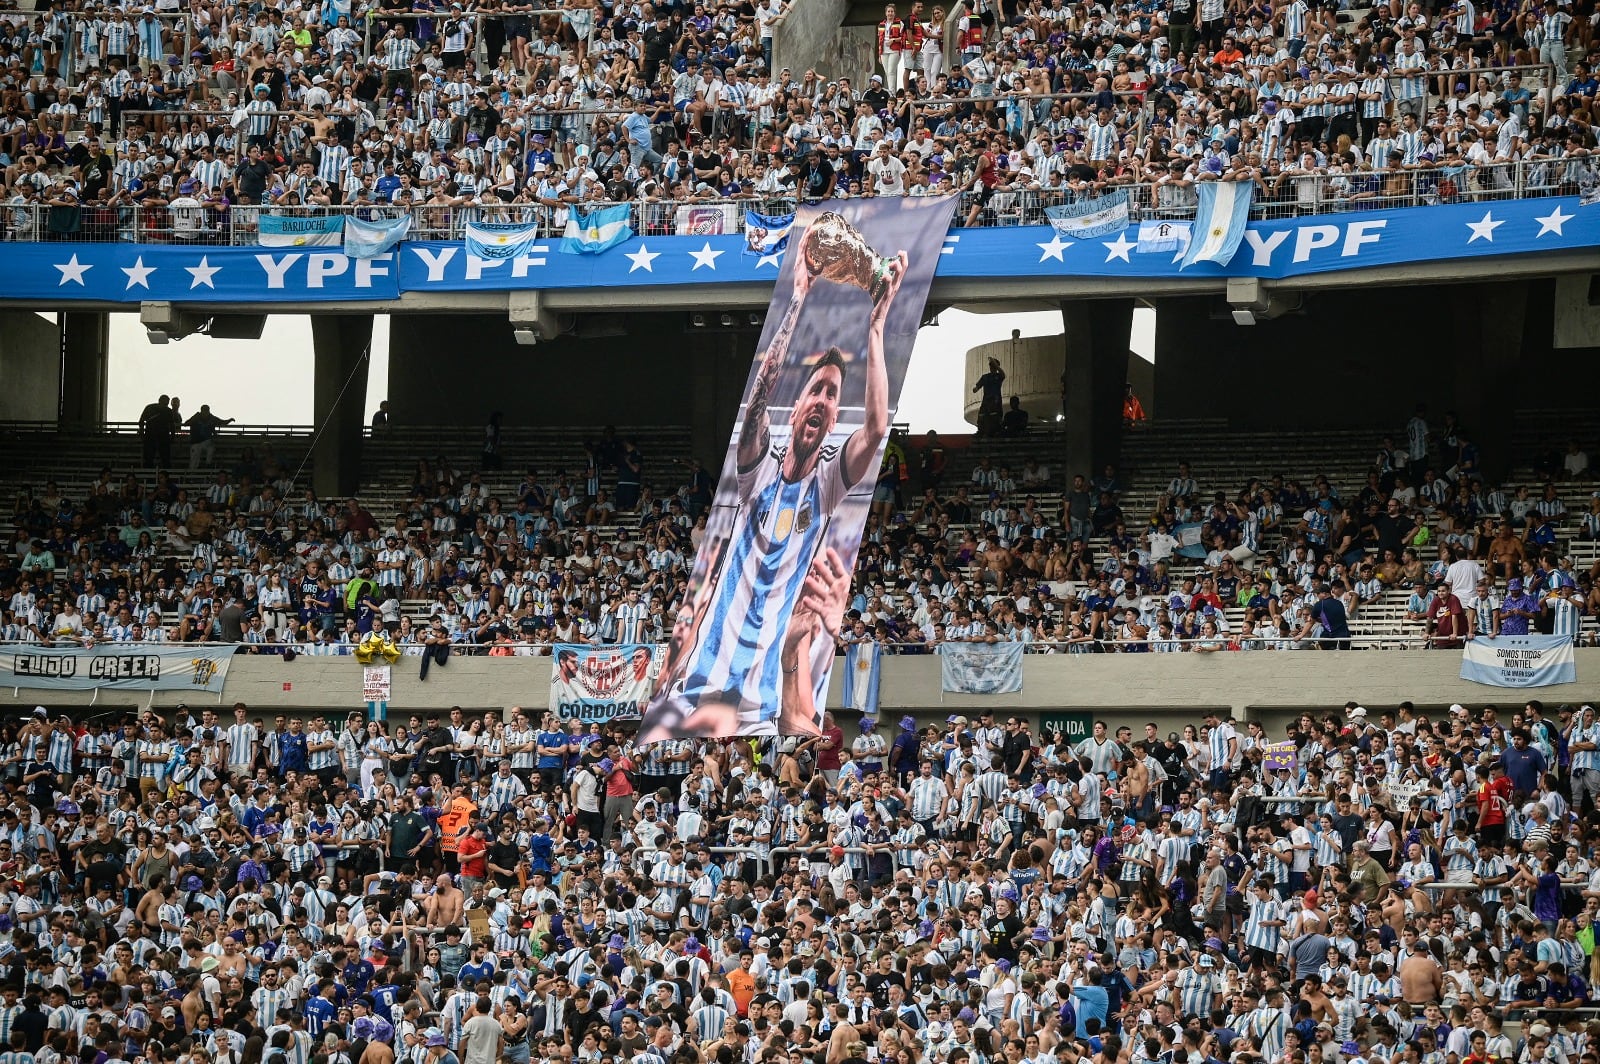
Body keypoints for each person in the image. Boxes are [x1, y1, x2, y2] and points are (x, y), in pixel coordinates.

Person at [641, 219, 908, 741]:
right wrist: (798, 299)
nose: (824, 401)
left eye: (833, 397)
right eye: (817, 391)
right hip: (700, 687)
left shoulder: (828, 485)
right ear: (799, 407)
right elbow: (759, 396)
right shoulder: (756, 468)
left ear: (833, 421)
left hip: (761, 700)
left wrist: (875, 329)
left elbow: (876, 429)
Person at [184, 403, 235, 470]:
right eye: (204, 411)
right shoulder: (196, 416)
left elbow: (222, 422)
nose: (205, 412)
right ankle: (191, 474)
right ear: (201, 411)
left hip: (206, 441)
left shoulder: (211, 418)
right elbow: (186, 424)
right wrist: (193, 419)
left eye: (207, 411)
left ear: (208, 411)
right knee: (194, 461)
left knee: (211, 448)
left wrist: (229, 420)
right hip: (195, 442)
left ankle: (208, 464)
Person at [972, 355, 1005, 437]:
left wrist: (993, 361)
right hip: (986, 401)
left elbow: (1002, 373)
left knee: (995, 417)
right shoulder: (985, 377)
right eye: (990, 365)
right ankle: (981, 431)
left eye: (993, 365)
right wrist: (976, 388)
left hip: (995, 401)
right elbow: (978, 386)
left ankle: (995, 431)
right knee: (982, 416)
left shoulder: (998, 376)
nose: (991, 367)